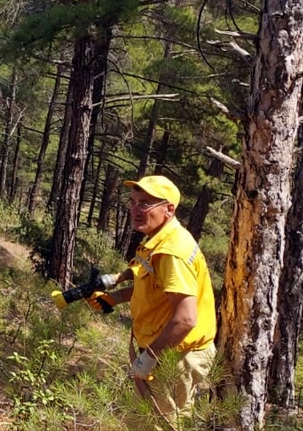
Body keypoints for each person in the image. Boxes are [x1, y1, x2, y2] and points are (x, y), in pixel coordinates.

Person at [88, 174, 217, 429]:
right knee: (141, 421)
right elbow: (152, 289)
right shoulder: (157, 240)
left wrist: (149, 357)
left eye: (145, 203)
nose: (136, 209)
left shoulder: (172, 252)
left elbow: (186, 319)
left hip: (177, 356)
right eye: (133, 202)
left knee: (162, 425)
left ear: (169, 209)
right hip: (164, 351)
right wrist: (113, 298)